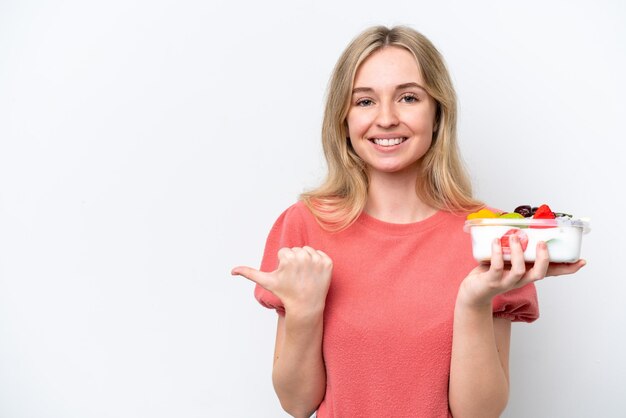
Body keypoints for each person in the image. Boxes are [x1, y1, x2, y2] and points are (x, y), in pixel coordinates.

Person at [231, 25, 585, 418]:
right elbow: (297, 404)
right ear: (343, 119)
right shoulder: (305, 226)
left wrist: (474, 300)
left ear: (437, 113)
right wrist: (303, 311)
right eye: (364, 101)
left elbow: (479, 413)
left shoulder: (489, 234)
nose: (386, 119)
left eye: (408, 97)